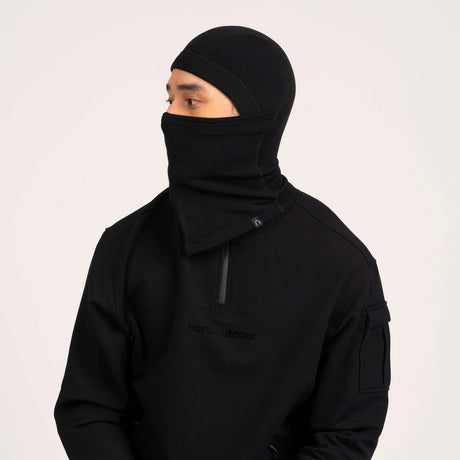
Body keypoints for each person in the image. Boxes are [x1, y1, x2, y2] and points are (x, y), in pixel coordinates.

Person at [54, 25, 391, 460]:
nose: (172, 117)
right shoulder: (126, 245)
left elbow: (347, 434)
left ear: (254, 115)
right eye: (169, 100)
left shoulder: (340, 263)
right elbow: (88, 407)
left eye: (192, 101)